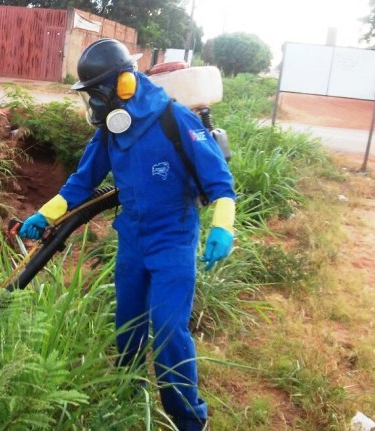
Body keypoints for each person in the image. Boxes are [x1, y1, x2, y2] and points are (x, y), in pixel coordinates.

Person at [17, 38, 236, 431]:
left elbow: (221, 182)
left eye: (97, 93)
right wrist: (44, 215)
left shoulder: (175, 120)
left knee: (169, 330)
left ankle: (189, 419)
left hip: (173, 239)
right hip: (133, 239)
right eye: (90, 97)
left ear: (124, 85)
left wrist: (221, 227)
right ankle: (127, 396)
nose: (95, 105)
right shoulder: (110, 131)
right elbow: (82, 183)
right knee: (128, 325)